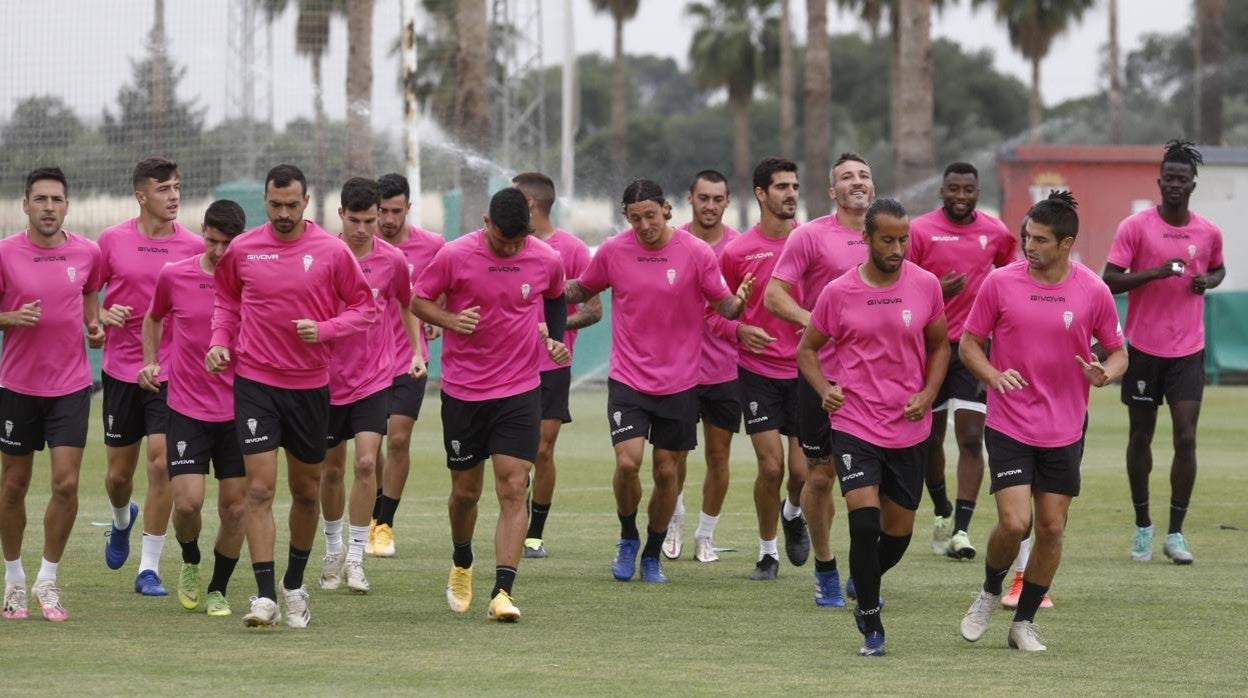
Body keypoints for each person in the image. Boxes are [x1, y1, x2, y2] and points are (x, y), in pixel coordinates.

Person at [208, 164, 376, 629]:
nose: (283, 213)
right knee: (259, 490)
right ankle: (264, 597)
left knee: (306, 492)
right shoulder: (243, 250)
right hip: (256, 384)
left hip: (310, 388)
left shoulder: (332, 251)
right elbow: (226, 302)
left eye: (291, 205)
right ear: (265, 201)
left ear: (306, 203)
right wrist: (220, 341)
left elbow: (366, 308)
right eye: (275, 204)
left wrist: (324, 330)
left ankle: (294, 585)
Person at [959, 191, 1127, 652]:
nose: (1028, 247)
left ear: (1066, 243)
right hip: (1010, 422)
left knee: (1052, 527)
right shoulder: (999, 283)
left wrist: (1104, 374)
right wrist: (993, 374)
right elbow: (968, 344)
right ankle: (990, 592)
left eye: (1038, 239)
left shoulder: (1093, 290)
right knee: (1015, 524)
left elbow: (1118, 352)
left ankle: (1024, 623)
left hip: (1066, 429)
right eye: (1025, 237)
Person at [563, 179, 751, 584]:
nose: (644, 225)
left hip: (682, 382)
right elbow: (581, 287)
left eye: (650, 215)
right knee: (628, 463)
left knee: (667, 473)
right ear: (625, 218)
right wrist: (536, 284)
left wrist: (741, 302)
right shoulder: (614, 250)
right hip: (629, 379)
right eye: (634, 218)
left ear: (666, 209)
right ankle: (628, 537)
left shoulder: (696, 252)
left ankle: (652, 551)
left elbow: (725, 305)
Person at [797, 198, 949, 657]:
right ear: (866, 238)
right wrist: (825, 388)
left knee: (897, 533)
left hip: (908, 426)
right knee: (864, 524)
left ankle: (864, 577)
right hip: (855, 423)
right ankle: (870, 619)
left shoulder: (925, 285)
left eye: (904, 239)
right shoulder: (838, 292)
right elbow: (807, 350)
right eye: (887, 239)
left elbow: (941, 346)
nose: (897, 248)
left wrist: (928, 394)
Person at [411, 187, 569, 622]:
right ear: (486, 223)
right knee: (465, 493)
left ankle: (503, 591)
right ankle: (462, 562)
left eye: (517, 242)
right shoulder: (454, 255)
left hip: (519, 389)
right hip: (463, 391)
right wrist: (449, 320)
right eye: (502, 241)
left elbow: (555, 295)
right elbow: (417, 299)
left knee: (514, 485)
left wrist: (553, 337)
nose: (510, 248)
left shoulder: (545, 258)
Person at [1102, 140, 1225, 565]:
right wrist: (1154, 272)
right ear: (1159, 182)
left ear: (1193, 182)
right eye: (1168, 178)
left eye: (1182, 178)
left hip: (1188, 349)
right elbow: (1109, 280)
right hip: (1142, 349)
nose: (1175, 184)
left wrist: (1206, 281)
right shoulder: (1135, 227)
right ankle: (1142, 527)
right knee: (1141, 435)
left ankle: (1175, 533)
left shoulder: (1208, 231)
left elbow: (1218, 268)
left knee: (1186, 436)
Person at [764, 153, 873, 597]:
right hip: (821, 379)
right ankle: (826, 569)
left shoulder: (890, 235)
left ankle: (865, 572)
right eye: (847, 177)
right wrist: (815, 321)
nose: (857, 182)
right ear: (833, 192)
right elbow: (774, 296)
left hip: (878, 384)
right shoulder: (809, 236)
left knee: (871, 489)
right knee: (821, 477)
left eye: (864, 175)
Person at [1, 167, 105, 622]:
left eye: (56, 199)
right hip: (17, 387)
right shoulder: (4, 253)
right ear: (25, 205)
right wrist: (9, 319)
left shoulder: (88, 252)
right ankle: (13, 581)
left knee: (65, 483)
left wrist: (94, 325)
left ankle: (47, 579)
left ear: (66, 205)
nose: (48, 207)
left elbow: (89, 297)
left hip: (70, 387)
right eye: (39, 199)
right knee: (14, 485)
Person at [100, 157, 205, 596]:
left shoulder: (195, 246)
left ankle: (149, 568)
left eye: (177, 187)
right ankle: (123, 519)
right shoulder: (110, 241)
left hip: (171, 374)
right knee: (118, 476)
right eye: (164, 189)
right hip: (121, 371)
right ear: (141, 196)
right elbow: (87, 300)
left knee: (161, 462)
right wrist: (104, 314)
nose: (174, 196)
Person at [139, 200, 248, 616]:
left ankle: (219, 588)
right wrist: (151, 362)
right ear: (202, 232)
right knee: (186, 504)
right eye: (211, 240)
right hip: (185, 408)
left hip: (240, 411)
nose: (219, 251)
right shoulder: (175, 275)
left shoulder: (252, 281)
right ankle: (189, 561)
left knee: (236, 509)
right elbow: (153, 318)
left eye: (227, 243)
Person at [907, 162, 1017, 560]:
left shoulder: (996, 232)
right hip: (928, 348)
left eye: (967, 190)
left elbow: (1010, 279)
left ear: (977, 191)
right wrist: (936, 288)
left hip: (973, 350)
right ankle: (940, 509)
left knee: (971, 439)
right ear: (942, 191)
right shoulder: (919, 231)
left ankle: (961, 530)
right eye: (953, 189)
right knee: (928, 440)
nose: (960, 196)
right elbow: (901, 284)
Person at [319, 178, 421, 594]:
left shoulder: (392, 259)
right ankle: (331, 549)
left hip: (374, 377)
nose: (363, 229)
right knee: (330, 468)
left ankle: (357, 558)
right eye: (355, 219)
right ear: (340, 214)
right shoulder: (322, 255)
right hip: (324, 378)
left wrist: (415, 350)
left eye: (370, 220)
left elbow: (406, 301)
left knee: (365, 463)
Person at [718, 158, 813, 583]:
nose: (790, 193)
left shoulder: (810, 243)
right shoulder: (737, 251)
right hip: (756, 370)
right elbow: (712, 314)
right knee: (771, 467)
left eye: (794, 186)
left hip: (806, 371)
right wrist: (739, 329)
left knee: (800, 472)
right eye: (781, 187)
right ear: (761, 194)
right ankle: (767, 553)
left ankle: (793, 513)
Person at [511, 172, 602, 558]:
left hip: (552, 366)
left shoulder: (573, 249)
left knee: (542, 451)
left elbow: (594, 309)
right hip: (509, 367)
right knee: (515, 455)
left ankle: (535, 533)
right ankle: (512, 521)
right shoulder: (506, 245)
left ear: (530, 205)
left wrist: (555, 328)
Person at [665, 169, 742, 562]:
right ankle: (674, 520)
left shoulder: (740, 248)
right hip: (677, 370)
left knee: (718, 456)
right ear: (689, 199)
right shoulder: (671, 241)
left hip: (725, 370)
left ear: (727, 202)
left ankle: (705, 535)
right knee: (674, 455)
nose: (710, 205)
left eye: (717, 198)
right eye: (703, 198)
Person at [370, 173, 444, 557]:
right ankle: (374, 507)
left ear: (408, 209)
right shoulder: (357, 246)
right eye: (382, 210)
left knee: (398, 437)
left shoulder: (432, 246)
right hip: (366, 362)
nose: (387, 219)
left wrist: (436, 314)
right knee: (370, 446)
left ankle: (385, 523)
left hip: (409, 359)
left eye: (395, 211)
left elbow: (447, 286)